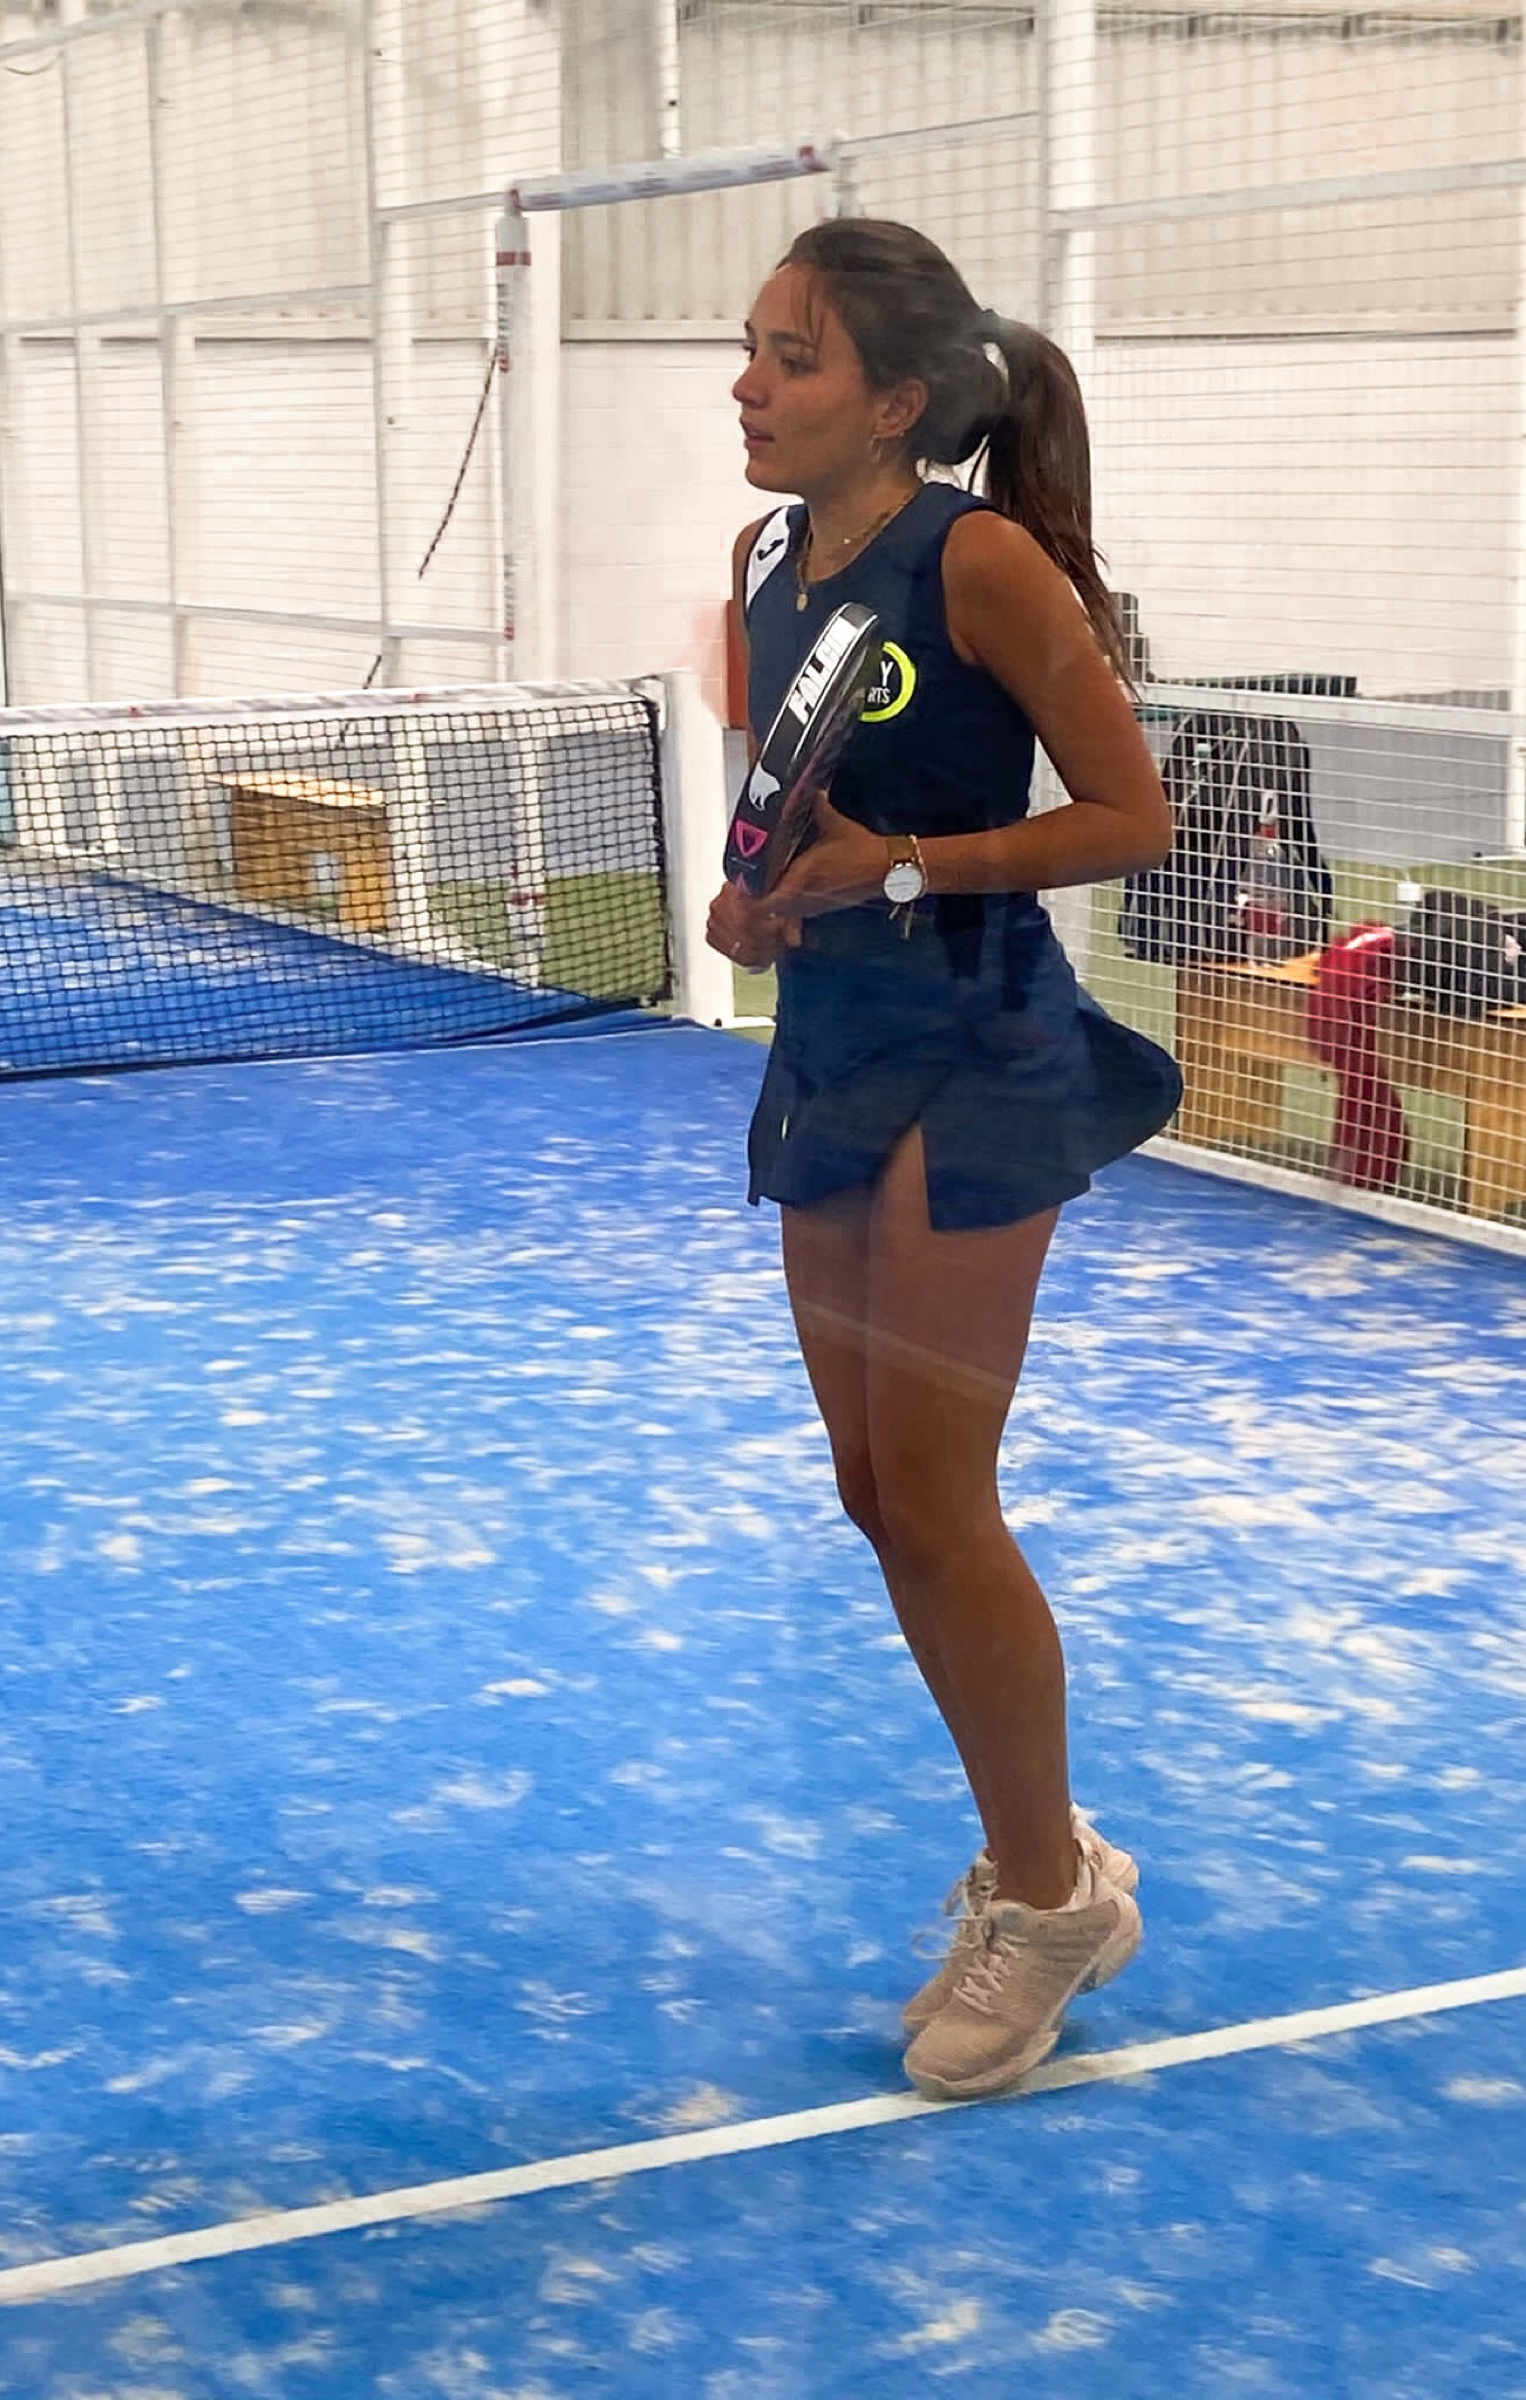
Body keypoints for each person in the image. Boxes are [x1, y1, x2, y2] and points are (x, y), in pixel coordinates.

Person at [707, 218, 1182, 2101]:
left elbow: (1131, 817)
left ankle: (1049, 1900)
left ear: (896, 401)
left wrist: (901, 870)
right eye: (752, 349)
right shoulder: (764, 562)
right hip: (832, 1042)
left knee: (939, 1494)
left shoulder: (979, 562)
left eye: (792, 358)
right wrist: (762, 905)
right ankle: (1043, 1861)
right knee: (872, 1490)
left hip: (981, 1052)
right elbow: (793, 816)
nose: (749, 386)